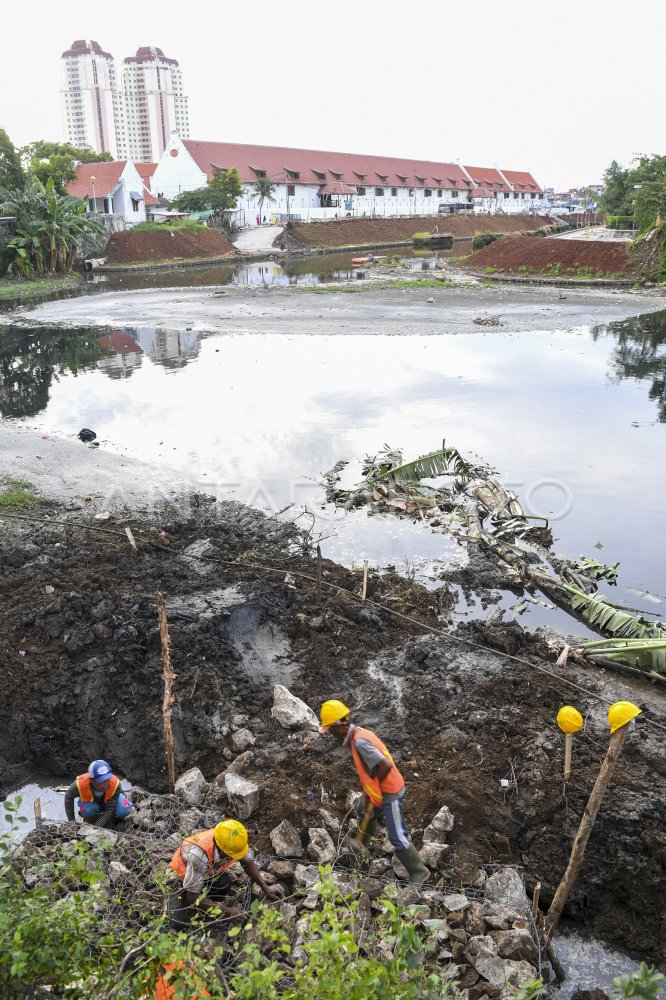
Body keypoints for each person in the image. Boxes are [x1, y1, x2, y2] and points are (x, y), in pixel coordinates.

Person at [319, 700, 429, 886]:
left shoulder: (360, 742)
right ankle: (364, 848)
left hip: (390, 792)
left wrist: (377, 791)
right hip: (378, 789)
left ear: (341, 724)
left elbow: (384, 766)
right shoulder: (359, 735)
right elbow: (373, 769)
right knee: (364, 811)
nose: (330, 733)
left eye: (331, 729)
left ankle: (419, 872)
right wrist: (369, 792)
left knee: (397, 836)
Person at [168, 819, 284, 928]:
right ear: (222, 849)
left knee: (224, 883)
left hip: (205, 874)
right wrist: (226, 911)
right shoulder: (199, 856)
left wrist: (265, 887)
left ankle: (206, 904)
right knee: (176, 921)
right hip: (182, 878)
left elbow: (247, 862)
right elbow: (193, 897)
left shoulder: (229, 840)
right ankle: (197, 903)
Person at [64, 759, 133, 828]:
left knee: (124, 810)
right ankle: (91, 818)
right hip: (92, 803)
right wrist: (71, 821)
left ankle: (112, 819)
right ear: (92, 780)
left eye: (107, 779)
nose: (106, 784)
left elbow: (109, 811)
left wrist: (96, 827)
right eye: (102, 781)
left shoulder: (115, 784)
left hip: (109, 803)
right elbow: (68, 797)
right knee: (88, 811)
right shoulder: (79, 785)